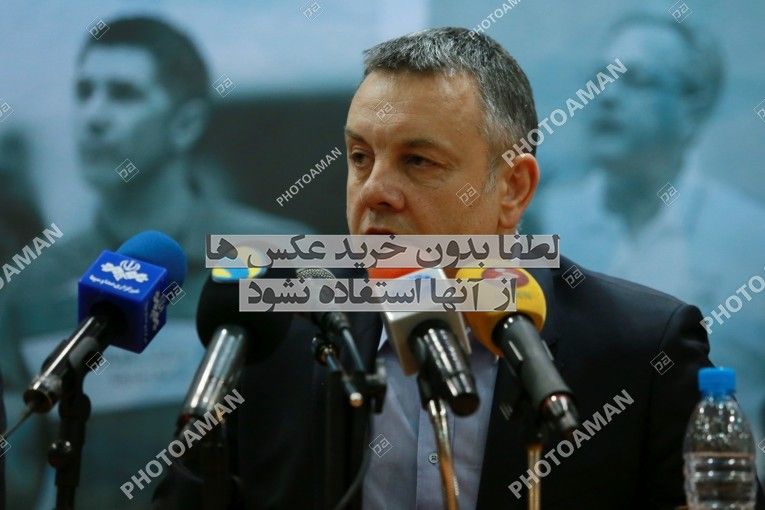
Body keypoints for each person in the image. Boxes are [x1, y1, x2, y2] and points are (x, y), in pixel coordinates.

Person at [154, 27, 765, 509]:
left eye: (418, 161)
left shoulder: (643, 345)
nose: (375, 191)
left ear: (513, 189)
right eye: (360, 157)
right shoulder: (272, 319)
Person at [0, 16, 311, 510]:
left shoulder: (279, 253)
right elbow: (17, 477)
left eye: (123, 94)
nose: (93, 116)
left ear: (186, 124)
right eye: (84, 92)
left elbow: (309, 442)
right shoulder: (31, 285)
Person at [536, 12, 765, 478]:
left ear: (694, 105)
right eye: (600, 78)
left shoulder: (751, 237)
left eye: (635, 80)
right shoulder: (539, 223)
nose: (606, 96)